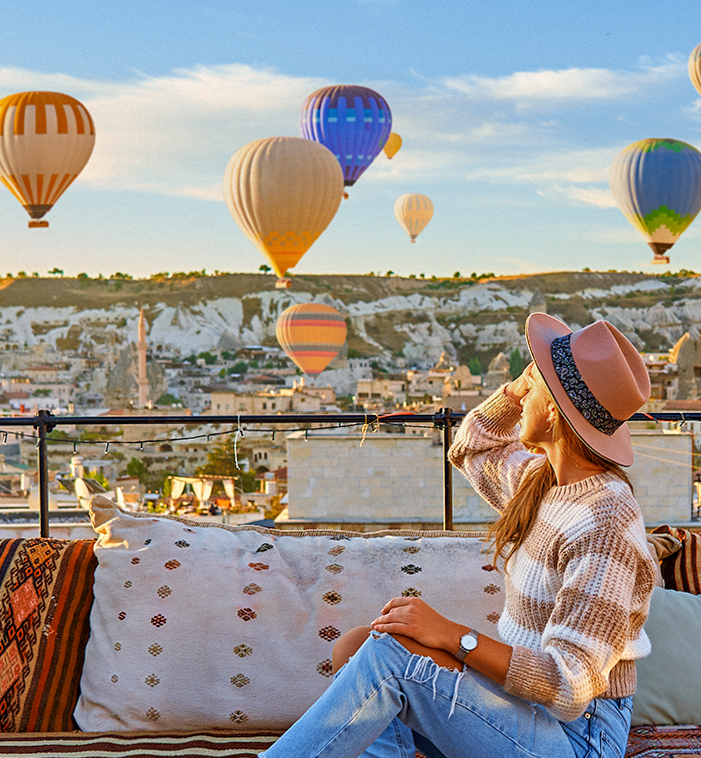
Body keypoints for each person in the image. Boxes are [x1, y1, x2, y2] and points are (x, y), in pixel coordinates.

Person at [262, 313, 656, 758]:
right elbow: (472, 444)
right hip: (531, 709)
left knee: (390, 660)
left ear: (553, 411)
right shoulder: (541, 481)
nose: (521, 392)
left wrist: (452, 635)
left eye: (534, 383)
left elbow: (569, 684)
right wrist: (514, 392)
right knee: (357, 645)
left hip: (578, 737)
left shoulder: (605, 523)